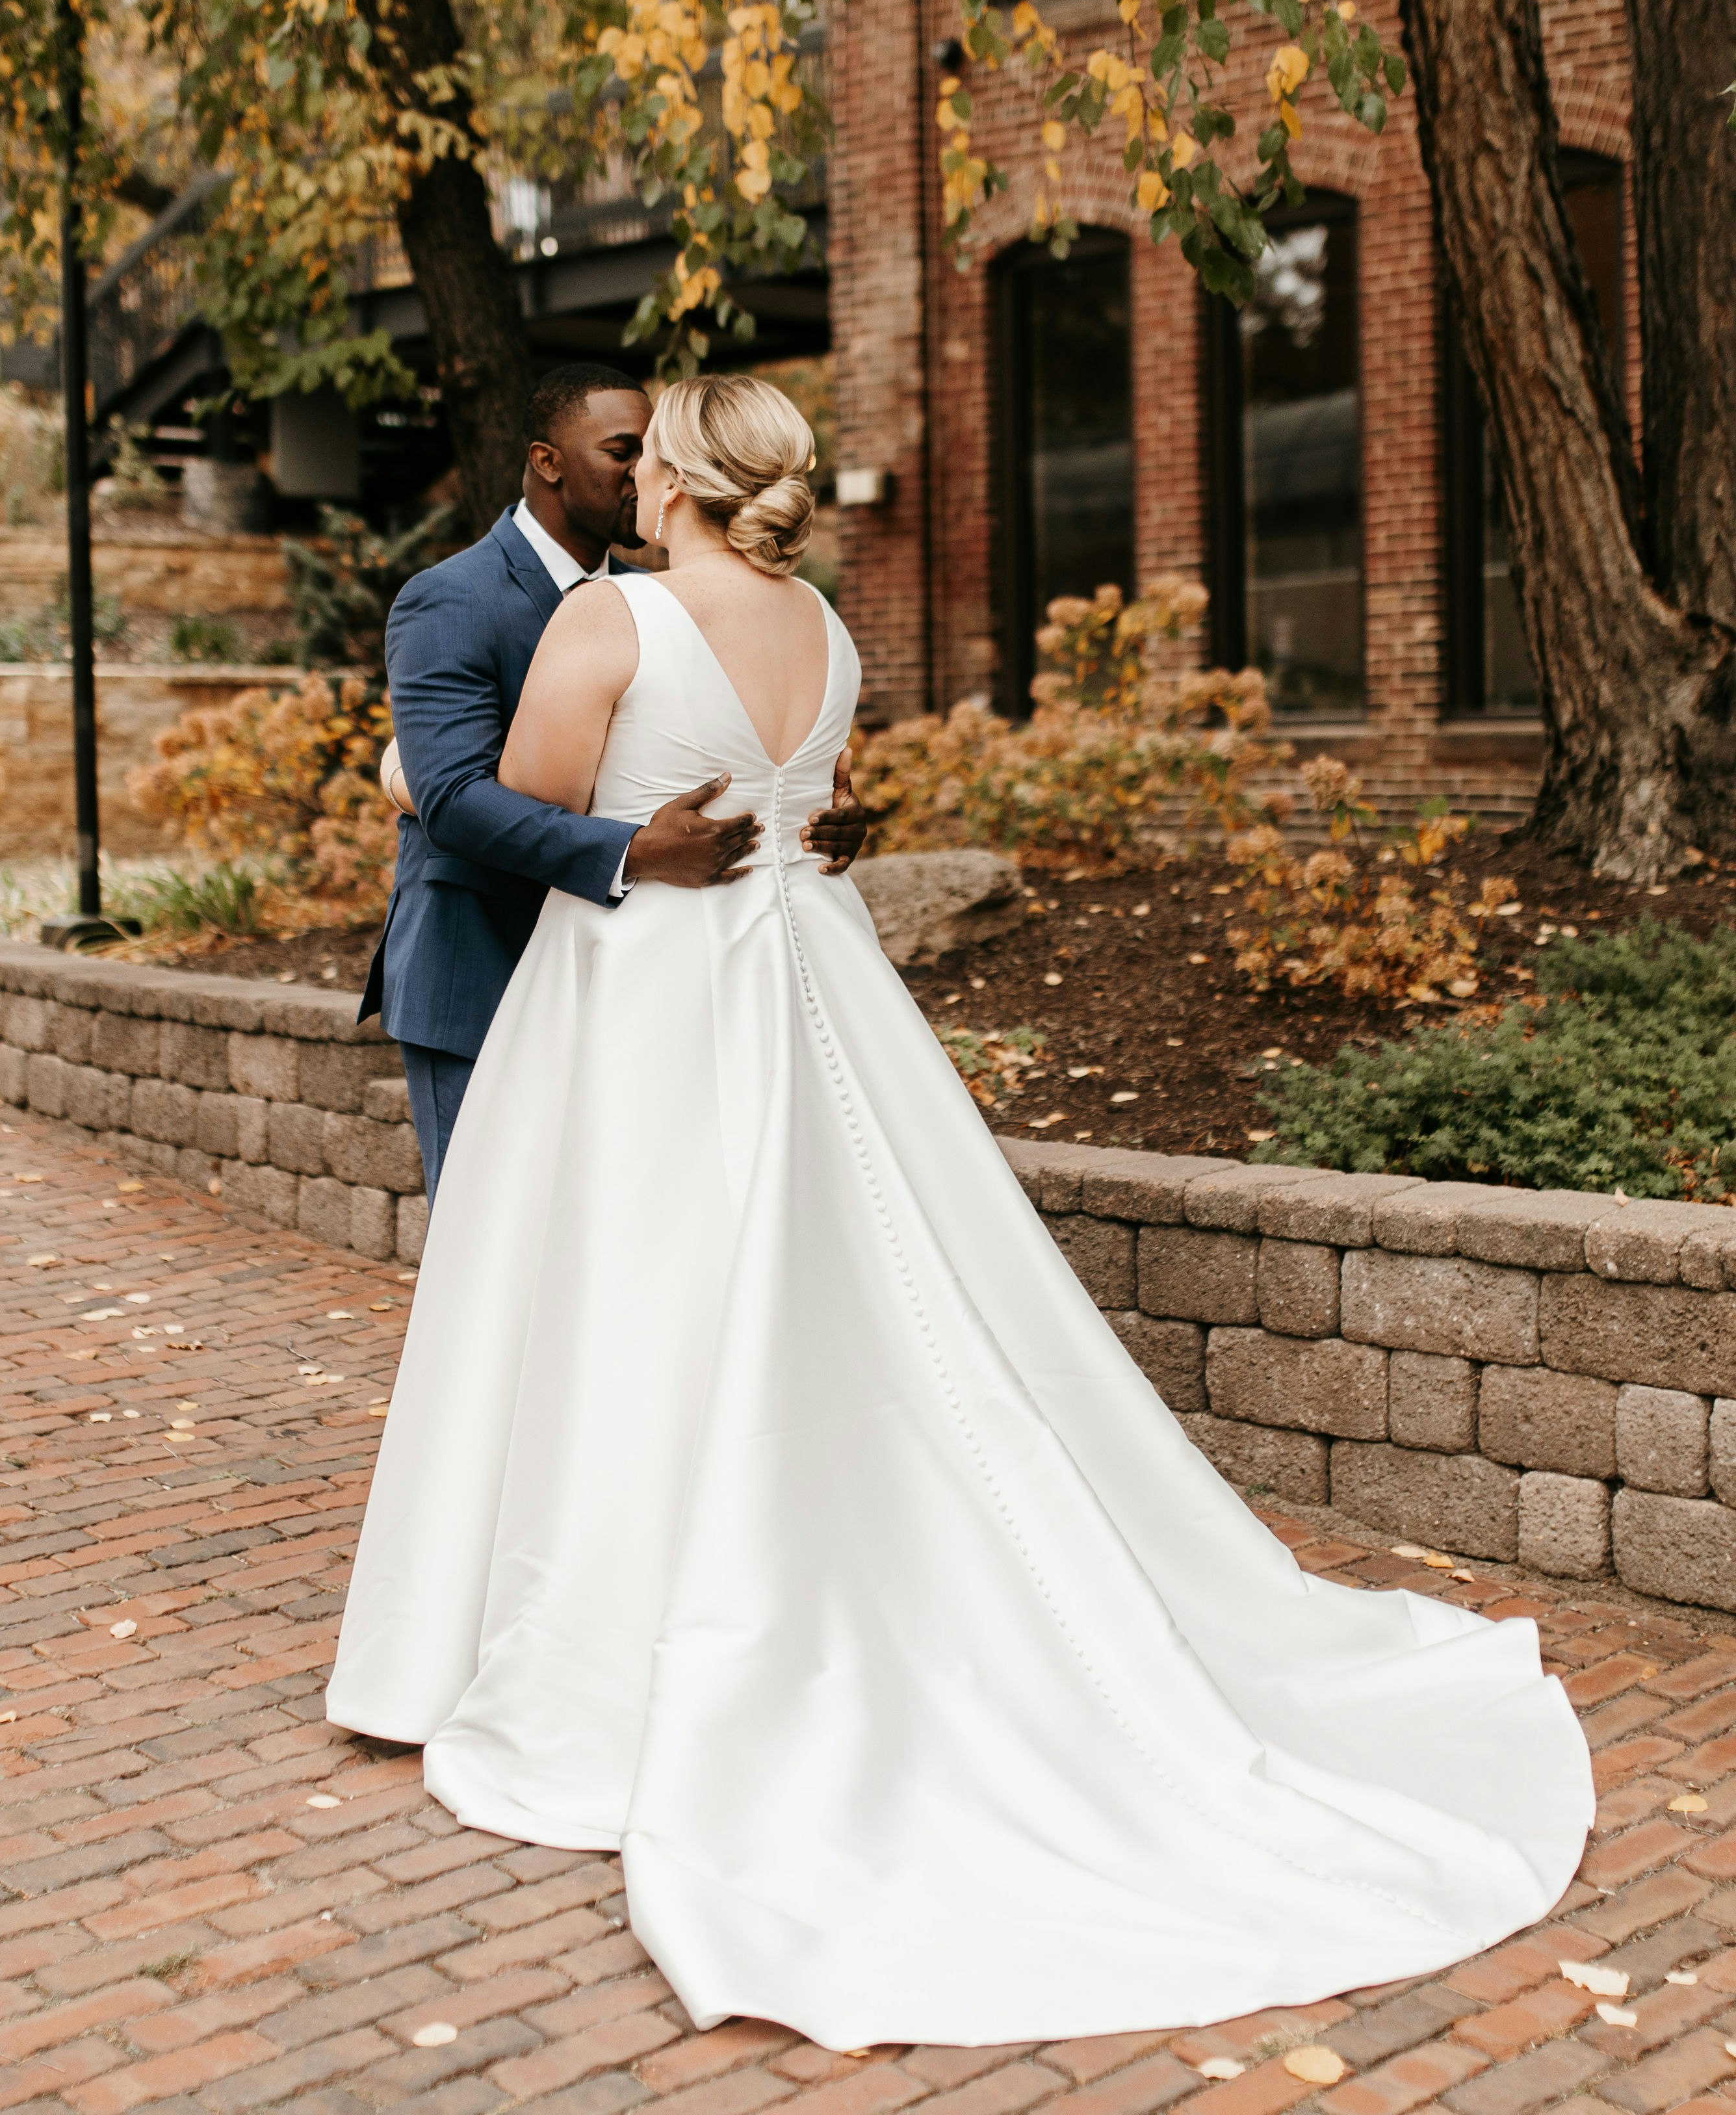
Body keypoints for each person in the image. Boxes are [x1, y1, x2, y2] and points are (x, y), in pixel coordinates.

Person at [328, 374, 1592, 2051]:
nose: (633, 481)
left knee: (629, 1297)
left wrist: (492, 803)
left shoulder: (614, 619)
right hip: (813, 974)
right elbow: (807, 794)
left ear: (682, 478)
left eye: (652, 456)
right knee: (848, 1283)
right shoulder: (827, 628)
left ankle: (610, 1639)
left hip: (648, 995)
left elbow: (535, 801)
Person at [357, 361, 866, 1200]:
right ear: (547, 461)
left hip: (652, 975)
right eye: (621, 450)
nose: (639, 472)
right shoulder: (449, 597)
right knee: (490, 1234)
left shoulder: (663, 599)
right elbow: (453, 799)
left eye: (650, 452)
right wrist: (634, 849)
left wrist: (820, 815)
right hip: (483, 960)